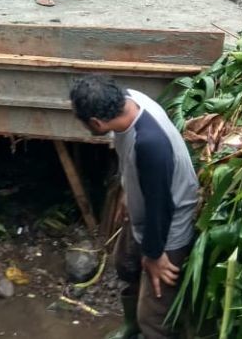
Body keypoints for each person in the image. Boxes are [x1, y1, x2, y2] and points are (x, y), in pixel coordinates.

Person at [69, 75, 200, 339]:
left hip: (169, 223)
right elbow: (132, 164)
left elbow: (161, 206)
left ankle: (149, 328)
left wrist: (155, 255)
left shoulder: (150, 144)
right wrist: (126, 194)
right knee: (125, 264)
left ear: (96, 122)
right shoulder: (129, 101)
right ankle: (132, 326)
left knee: (153, 316)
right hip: (146, 206)